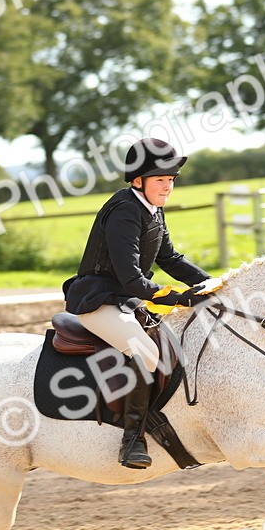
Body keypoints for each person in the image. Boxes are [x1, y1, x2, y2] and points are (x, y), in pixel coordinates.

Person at [62, 138, 214, 470]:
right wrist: (179, 297)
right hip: (98, 299)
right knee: (146, 353)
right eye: (161, 179)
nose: (168, 186)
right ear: (137, 180)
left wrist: (213, 283)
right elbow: (132, 278)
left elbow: (170, 258)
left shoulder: (151, 207)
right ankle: (132, 439)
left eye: (171, 179)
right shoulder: (125, 210)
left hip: (126, 299)